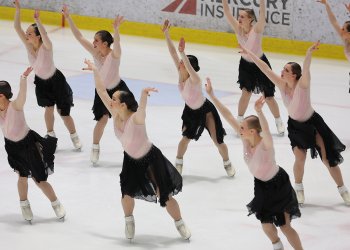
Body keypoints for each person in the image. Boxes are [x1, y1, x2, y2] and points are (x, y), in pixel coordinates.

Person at [83, 59, 191, 240]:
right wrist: (95, 70)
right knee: (126, 193)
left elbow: (142, 111)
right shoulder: (115, 112)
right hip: (131, 160)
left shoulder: (136, 119)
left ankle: (180, 222)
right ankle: (129, 221)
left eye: (114, 99)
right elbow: (102, 90)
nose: (110, 100)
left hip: (150, 159)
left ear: (123, 105)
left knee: (163, 196)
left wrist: (142, 94)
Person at [239, 41, 350, 206]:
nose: (282, 71)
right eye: (283, 69)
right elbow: (266, 69)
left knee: (327, 159)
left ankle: (343, 190)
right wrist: (250, 53)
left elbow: (306, 70)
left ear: (294, 75)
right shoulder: (282, 85)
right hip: (296, 127)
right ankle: (299, 189)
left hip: (313, 124)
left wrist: (308, 54)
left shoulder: (302, 85)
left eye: (286, 70)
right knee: (300, 157)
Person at [205, 79, 303, 250]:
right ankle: (277, 247)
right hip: (261, 186)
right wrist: (212, 95)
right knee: (266, 226)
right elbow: (227, 115)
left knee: (285, 226)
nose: (239, 129)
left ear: (252, 131)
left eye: (242, 127)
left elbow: (264, 129)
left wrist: (259, 111)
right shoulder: (245, 138)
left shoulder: (265, 144)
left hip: (278, 185)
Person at [162, 19, 235, 177]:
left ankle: (227, 163)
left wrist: (183, 53)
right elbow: (173, 53)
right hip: (190, 112)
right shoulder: (181, 71)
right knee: (185, 139)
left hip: (206, 111)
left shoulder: (195, 80)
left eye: (184, 63)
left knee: (218, 141)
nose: (180, 63)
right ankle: (178, 164)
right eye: (181, 62)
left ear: (190, 67)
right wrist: (166, 34)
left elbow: (181, 58)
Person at [62, 5, 131, 164]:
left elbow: (118, 45)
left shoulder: (114, 55)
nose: (93, 42)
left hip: (118, 90)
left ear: (105, 43)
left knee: (125, 120)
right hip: (102, 91)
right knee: (103, 120)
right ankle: (95, 148)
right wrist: (68, 18)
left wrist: (116, 30)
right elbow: (79, 37)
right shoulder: (95, 52)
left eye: (96, 40)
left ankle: (130, 150)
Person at [13, 0, 81, 150]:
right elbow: (16, 27)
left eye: (29, 33)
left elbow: (45, 35)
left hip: (56, 81)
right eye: (26, 33)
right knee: (48, 109)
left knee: (63, 113)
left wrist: (38, 21)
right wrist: (18, 9)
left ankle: (74, 136)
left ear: (38, 36)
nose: (26, 35)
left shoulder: (47, 46)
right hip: (42, 83)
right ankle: (50, 136)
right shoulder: (28, 46)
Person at [0, 67, 65, 222]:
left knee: (39, 179)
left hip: (28, 145)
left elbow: (22, 95)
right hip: (12, 147)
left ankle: (56, 203)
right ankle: (25, 205)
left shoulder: (15, 106)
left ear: (1, 96)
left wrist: (23, 78)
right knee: (22, 176)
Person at [222, 0, 285, 135]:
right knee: (246, 93)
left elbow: (262, 15)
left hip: (260, 65)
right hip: (245, 65)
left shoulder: (257, 29)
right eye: (239, 16)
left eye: (243, 16)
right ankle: (239, 121)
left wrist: (262, 2)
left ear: (251, 19)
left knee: (268, 97)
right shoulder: (237, 28)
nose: (239, 19)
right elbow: (227, 12)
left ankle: (279, 121)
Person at [317, 0, 350, 92]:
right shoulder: (345, 39)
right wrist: (326, 4)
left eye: (343, 28)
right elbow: (334, 21)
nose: (341, 29)